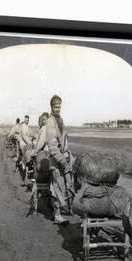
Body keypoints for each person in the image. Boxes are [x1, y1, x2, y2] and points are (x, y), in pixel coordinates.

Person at [34, 95, 74, 224]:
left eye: (59, 106)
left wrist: (67, 153)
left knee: (68, 185)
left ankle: (67, 208)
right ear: (51, 107)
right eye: (56, 106)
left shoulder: (60, 120)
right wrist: (63, 162)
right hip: (56, 161)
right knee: (57, 187)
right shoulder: (51, 122)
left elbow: (64, 139)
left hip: (63, 158)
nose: (58, 109)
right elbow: (52, 147)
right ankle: (57, 215)